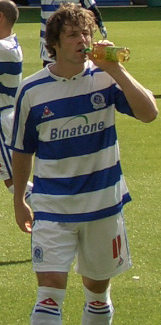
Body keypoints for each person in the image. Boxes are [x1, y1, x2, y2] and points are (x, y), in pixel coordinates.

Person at [11, 3, 158, 324]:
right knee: (49, 291)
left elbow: (149, 113)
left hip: (103, 206)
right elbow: (22, 151)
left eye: (86, 33)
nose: (83, 40)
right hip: (52, 208)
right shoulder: (32, 91)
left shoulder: (105, 80)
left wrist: (115, 69)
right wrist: (19, 199)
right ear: (55, 43)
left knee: (96, 290)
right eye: (73, 34)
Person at [0, 0, 32, 204]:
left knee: (15, 182)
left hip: (2, 123)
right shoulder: (9, 43)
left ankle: (54, 211)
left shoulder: (4, 48)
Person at [40, 0, 107, 67]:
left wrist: (100, 24)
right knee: (50, 70)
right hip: (49, 38)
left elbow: (91, 7)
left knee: (76, 67)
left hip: (72, 33)